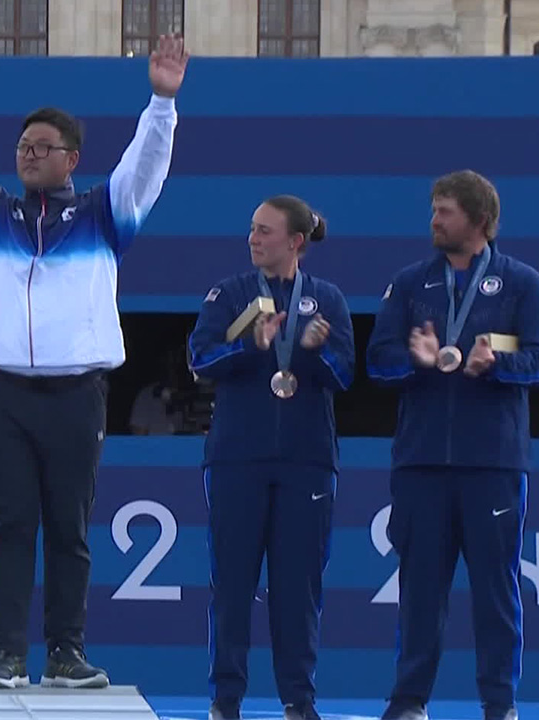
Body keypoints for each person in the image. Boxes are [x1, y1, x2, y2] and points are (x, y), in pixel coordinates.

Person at [0, 34, 188, 689]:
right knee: (11, 525)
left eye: (42, 148)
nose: (29, 156)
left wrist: (161, 101)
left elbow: (148, 164)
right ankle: (7, 655)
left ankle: (66, 653)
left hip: (78, 393)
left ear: (71, 158)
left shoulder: (105, 212)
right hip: (6, 393)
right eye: (22, 147)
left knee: (69, 529)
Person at [366, 170, 539, 720]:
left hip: (492, 462)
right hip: (422, 461)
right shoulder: (409, 283)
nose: (434, 220)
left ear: (478, 220)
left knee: (497, 593)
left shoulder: (523, 283)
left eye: (444, 211)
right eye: (433, 209)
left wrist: (498, 365)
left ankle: (499, 704)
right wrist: (417, 361)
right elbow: (378, 361)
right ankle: (408, 701)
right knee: (421, 592)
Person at [187, 196, 355, 720]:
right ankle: (226, 699)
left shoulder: (327, 299)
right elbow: (200, 359)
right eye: (252, 229)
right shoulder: (230, 294)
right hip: (238, 456)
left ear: (295, 242)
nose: (253, 239)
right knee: (232, 584)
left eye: (265, 231)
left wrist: (311, 350)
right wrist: (250, 348)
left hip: (306, 458)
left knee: (298, 587)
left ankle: (298, 700)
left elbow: (346, 374)